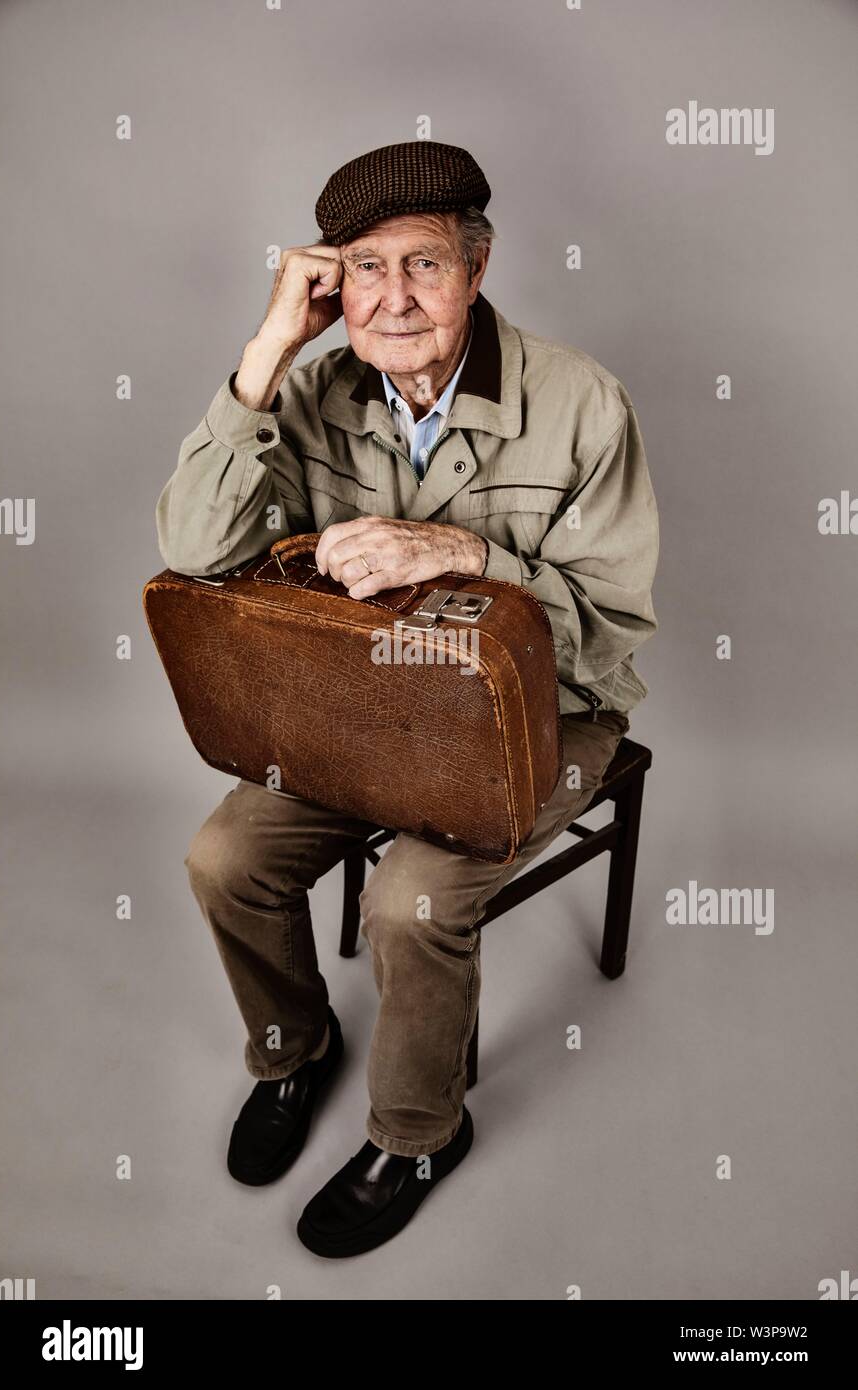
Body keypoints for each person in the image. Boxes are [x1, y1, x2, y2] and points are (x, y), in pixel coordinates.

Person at [154, 140, 659, 1258]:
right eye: (363, 269)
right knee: (220, 860)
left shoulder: (580, 403)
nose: (393, 298)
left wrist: (465, 554)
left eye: (422, 264)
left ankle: (421, 1130)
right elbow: (194, 549)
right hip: (365, 713)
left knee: (406, 902)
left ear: (475, 270)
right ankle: (294, 1049)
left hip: (548, 715)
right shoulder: (310, 385)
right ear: (332, 285)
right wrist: (268, 346)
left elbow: (610, 630)